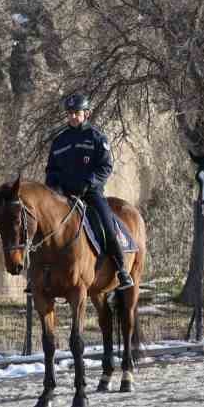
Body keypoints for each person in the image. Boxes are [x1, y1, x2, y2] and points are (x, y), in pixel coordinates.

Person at [45, 93, 134, 289]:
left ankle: (122, 270)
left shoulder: (97, 137)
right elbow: (51, 171)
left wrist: (89, 182)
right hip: (64, 196)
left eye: (76, 113)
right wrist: (54, 188)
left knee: (107, 226)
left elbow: (105, 167)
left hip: (91, 194)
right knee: (46, 228)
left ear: (86, 113)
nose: (73, 117)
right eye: (70, 113)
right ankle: (43, 273)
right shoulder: (59, 142)